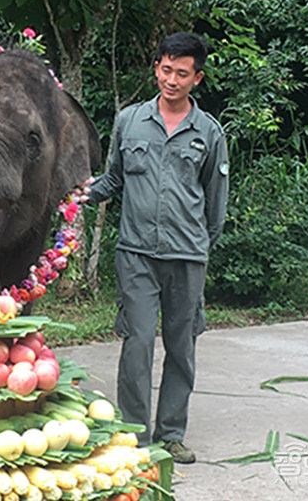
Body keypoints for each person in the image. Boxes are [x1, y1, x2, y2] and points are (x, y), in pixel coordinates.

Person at [85, 32, 228, 464]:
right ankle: (134, 435)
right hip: (136, 254)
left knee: (181, 346)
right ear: (157, 68)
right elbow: (114, 179)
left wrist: (199, 245)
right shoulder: (129, 121)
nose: (171, 79)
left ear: (197, 78)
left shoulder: (209, 132)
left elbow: (215, 203)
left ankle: (171, 433)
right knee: (138, 341)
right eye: (166, 69)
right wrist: (78, 193)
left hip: (187, 257)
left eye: (182, 73)